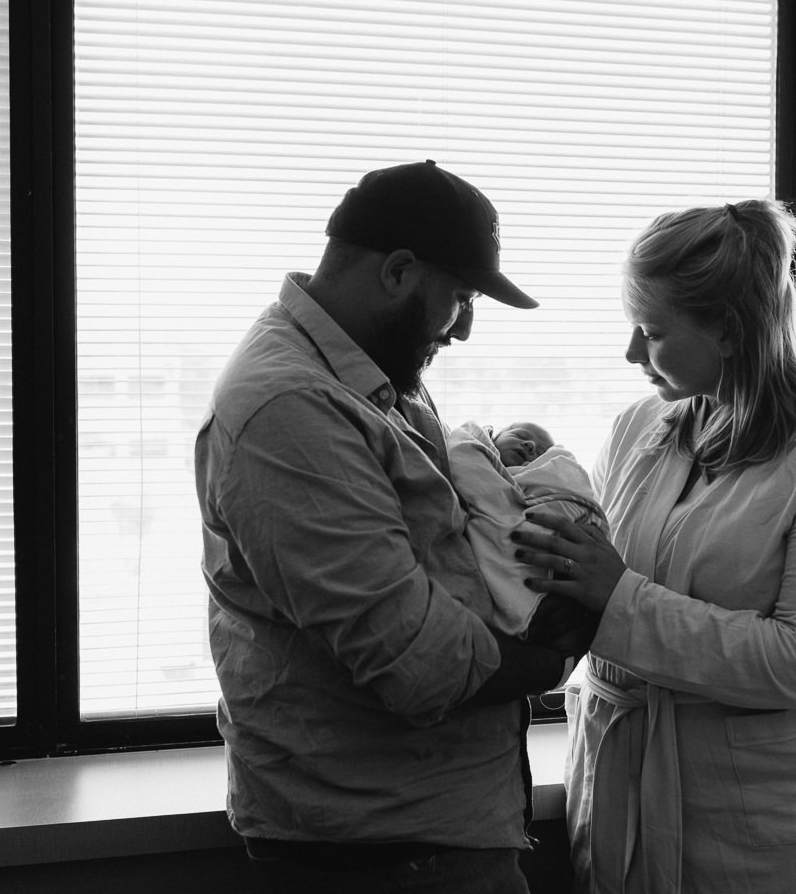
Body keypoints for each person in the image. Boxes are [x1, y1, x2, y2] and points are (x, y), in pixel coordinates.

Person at [196, 160, 595, 894]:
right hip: (386, 853)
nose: (466, 329)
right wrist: (566, 647)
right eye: (462, 297)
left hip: (420, 831)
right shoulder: (289, 409)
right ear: (400, 271)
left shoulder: (365, 379)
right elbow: (415, 661)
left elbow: (443, 557)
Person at [518, 199, 796, 893]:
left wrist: (619, 599)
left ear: (727, 330)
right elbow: (586, 577)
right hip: (626, 784)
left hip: (771, 824)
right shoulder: (640, 425)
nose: (632, 353)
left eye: (651, 331)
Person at [445, 420, 607, 642]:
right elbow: (461, 455)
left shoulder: (550, 478)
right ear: (492, 439)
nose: (530, 445)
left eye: (542, 452)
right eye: (520, 435)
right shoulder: (474, 451)